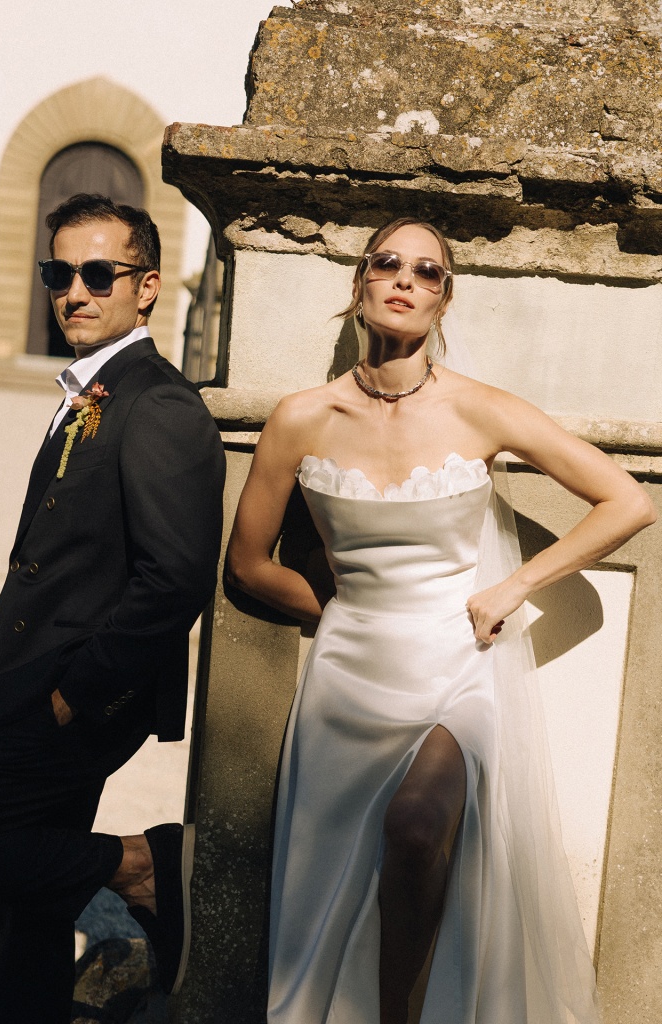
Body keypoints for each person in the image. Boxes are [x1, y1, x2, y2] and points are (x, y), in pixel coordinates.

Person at [226, 218, 656, 1024]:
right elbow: (249, 563)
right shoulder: (301, 417)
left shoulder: (479, 409)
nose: (404, 280)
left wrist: (515, 586)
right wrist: (346, 611)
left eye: (427, 272)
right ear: (359, 283)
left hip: (457, 665)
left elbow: (628, 501)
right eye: (387, 263)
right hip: (348, 678)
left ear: (444, 300)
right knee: (331, 887)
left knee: (420, 828)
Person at [0, 193, 225, 1023]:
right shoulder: (93, 388)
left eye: (98, 274)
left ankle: (143, 865)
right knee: (24, 905)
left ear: (146, 287)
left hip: (72, 697)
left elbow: (176, 577)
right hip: (33, 681)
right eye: (59, 273)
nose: (74, 291)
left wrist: (75, 692)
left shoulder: (157, 402)